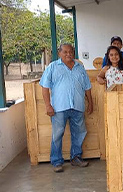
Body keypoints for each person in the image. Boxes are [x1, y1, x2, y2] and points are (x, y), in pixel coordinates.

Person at [40, 43, 93, 173]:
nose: (68, 54)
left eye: (71, 52)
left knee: (79, 132)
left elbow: (87, 87)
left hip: (77, 105)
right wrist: (48, 105)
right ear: (59, 53)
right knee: (57, 135)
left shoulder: (80, 67)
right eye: (65, 52)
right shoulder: (52, 67)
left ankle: (76, 157)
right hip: (59, 107)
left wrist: (90, 102)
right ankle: (57, 161)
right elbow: (45, 87)